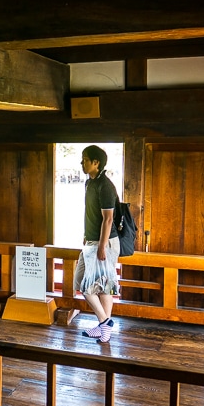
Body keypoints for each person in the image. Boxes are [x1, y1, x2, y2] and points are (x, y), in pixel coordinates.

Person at [75, 145, 120, 343]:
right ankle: (105, 325)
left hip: (105, 243)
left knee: (89, 288)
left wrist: (102, 246)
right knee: (87, 283)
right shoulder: (89, 183)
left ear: (96, 162)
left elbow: (108, 219)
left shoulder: (106, 186)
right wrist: (86, 235)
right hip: (92, 241)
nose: (82, 163)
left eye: (85, 159)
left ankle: (104, 323)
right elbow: (91, 214)